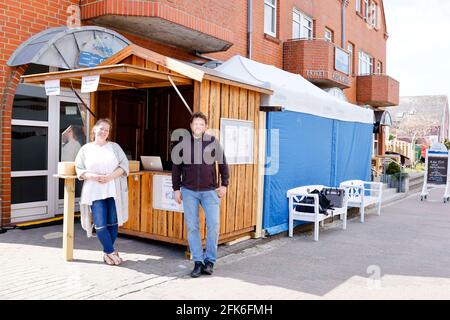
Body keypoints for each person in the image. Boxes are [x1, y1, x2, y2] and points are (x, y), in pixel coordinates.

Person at [172, 112, 229, 277]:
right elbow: (176, 168)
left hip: (210, 191)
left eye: (201, 124)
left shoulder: (213, 142)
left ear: (205, 127)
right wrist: (176, 189)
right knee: (192, 227)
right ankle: (198, 261)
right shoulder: (182, 144)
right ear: (191, 126)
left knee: (213, 226)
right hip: (188, 191)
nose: (198, 126)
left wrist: (224, 184)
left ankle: (210, 261)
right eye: (195, 124)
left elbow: (224, 164)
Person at [75, 118, 129, 266]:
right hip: (94, 190)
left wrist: (110, 177)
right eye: (101, 128)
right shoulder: (85, 149)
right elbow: (79, 169)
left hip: (111, 188)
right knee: (100, 224)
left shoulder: (114, 147)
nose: (104, 132)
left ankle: (107, 253)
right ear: (94, 129)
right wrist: (92, 176)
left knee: (113, 222)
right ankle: (110, 252)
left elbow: (124, 165)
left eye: (107, 130)